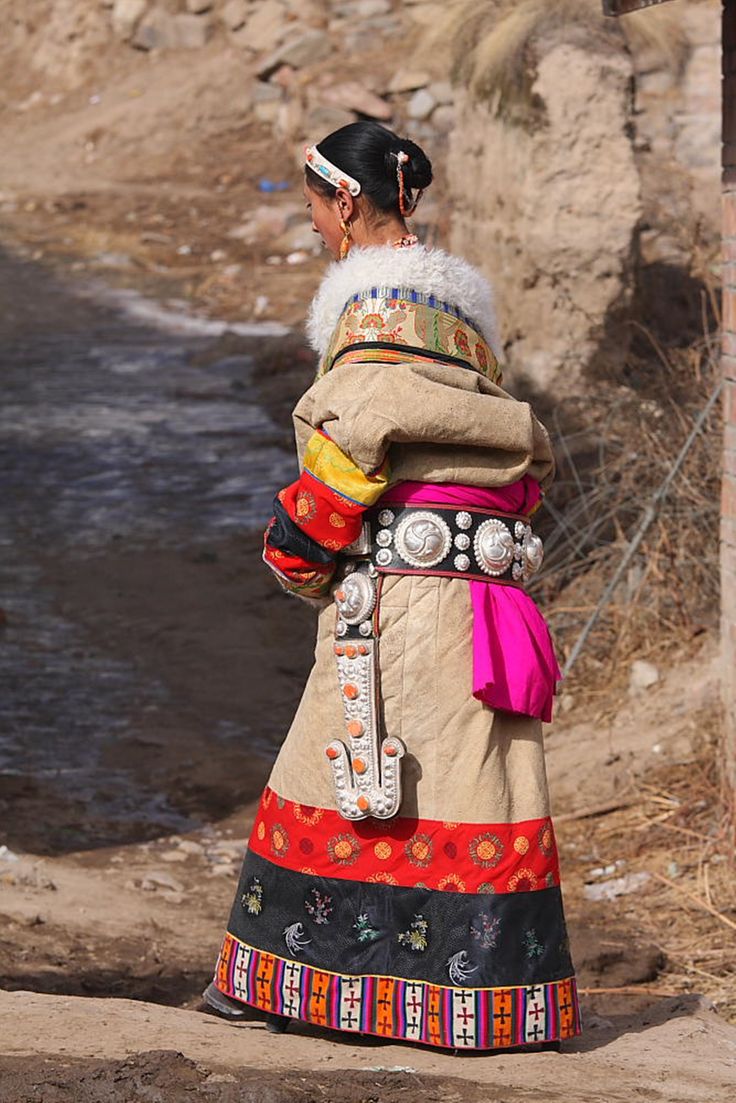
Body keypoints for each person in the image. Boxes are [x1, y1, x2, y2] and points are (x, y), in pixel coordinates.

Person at [204, 121, 580, 1051]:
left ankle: (295, 983)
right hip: (485, 590)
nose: (315, 230)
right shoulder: (463, 323)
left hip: (396, 596)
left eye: (315, 212)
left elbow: (356, 441)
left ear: (346, 202)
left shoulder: (372, 318)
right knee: (469, 781)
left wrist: (295, 551)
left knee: (343, 768)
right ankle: (486, 1001)